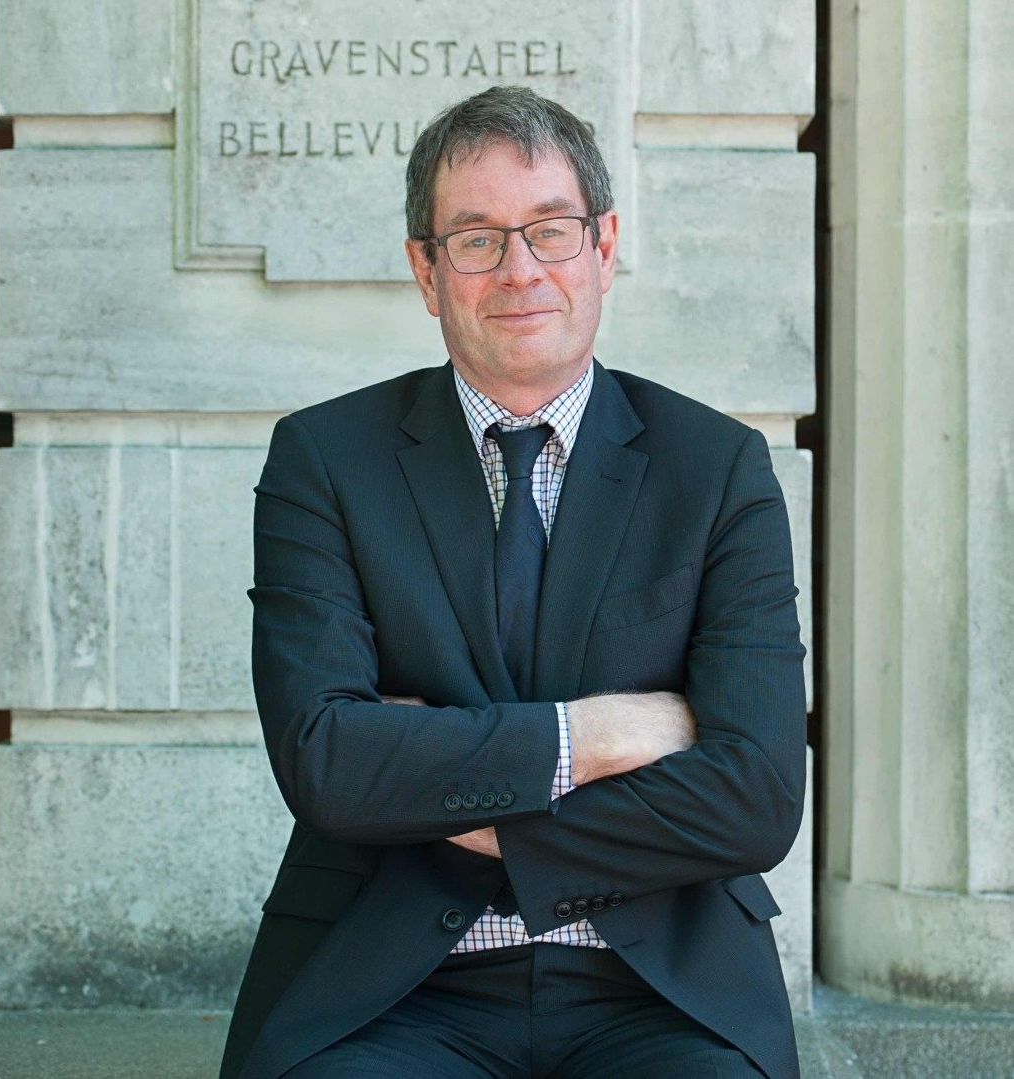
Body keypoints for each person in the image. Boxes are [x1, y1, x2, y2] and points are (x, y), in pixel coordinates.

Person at [220, 85, 806, 1079]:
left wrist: (439, 784)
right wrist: (604, 734)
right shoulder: (325, 459)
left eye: (549, 230)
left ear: (603, 244)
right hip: (392, 989)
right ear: (425, 267)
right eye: (477, 238)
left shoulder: (717, 469)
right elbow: (325, 759)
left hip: (658, 987)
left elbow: (753, 798)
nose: (520, 270)